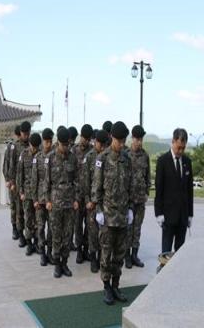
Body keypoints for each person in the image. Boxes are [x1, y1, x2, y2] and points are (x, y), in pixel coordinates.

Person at [91, 121, 134, 305]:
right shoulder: (102, 158)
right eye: (119, 140)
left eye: (124, 141)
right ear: (112, 139)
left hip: (123, 217)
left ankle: (116, 285)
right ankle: (106, 287)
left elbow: (130, 187)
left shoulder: (127, 159)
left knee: (119, 255)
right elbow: (96, 188)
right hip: (107, 217)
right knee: (106, 255)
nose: (122, 144)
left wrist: (131, 208)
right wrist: (99, 210)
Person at [43, 127, 80, 278]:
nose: (66, 147)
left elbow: (77, 180)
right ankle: (57, 264)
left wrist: (77, 199)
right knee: (56, 235)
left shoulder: (73, 157)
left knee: (67, 234)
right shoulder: (50, 158)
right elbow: (46, 181)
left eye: (68, 145)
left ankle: (65, 263)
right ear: (58, 142)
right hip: (56, 203)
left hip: (69, 203)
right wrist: (47, 200)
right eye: (63, 145)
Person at [154, 128, 193, 257]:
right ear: (173, 142)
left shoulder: (187, 162)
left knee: (180, 252)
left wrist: (190, 214)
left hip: (183, 215)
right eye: (178, 148)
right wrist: (158, 213)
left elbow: (189, 190)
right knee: (166, 252)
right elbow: (159, 189)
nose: (180, 151)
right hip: (168, 216)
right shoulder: (163, 161)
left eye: (183, 148)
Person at [125, 125, 151, 269]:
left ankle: (135, 255)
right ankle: (127, 256)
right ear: (132, 139)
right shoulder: (126, 155)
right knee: (128, 228)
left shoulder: (145, 156)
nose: (139, 142)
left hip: (140, 199)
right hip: (128, 201)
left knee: (137, 228)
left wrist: (147, 191)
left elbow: (148, 176)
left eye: (141, 139)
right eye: (137, 139)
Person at [83, 129, 109, 273]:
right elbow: (85, 182)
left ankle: (101, 258)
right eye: (100, 143)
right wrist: (88, 200)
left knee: (104, 233)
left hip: (105, 203)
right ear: (95, 142)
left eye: (104, 144)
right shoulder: (89, 157)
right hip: (92, 202)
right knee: (92, 232)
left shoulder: (107, 157)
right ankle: (93, 258)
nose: (102, 147)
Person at [71, 124, 94, 264]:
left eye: (88, 138)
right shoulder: (73, 151)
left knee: (89, 224)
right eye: (84, 138)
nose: (85, 140)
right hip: (77, 195)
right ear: (80, 136)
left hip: (89, 195)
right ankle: (79, 250)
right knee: (78, 224)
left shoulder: (92, 153)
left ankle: (86, 249)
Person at [32, 128, 54, 266]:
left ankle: (50, 252)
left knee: (51, 227)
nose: (48, 144)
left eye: (50, 141)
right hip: (40, 199)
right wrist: (34, 199)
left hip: (51, 199)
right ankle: (42, 252)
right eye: (46, 141)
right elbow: (34, 180)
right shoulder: (37, 158)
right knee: (40, 227)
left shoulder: (54, 156)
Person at [18, 132, 42, 256]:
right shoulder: (24, 154)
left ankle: (37, 242)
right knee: (28, 218)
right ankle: (29, 243)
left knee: (38, 219)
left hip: (38, 194)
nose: (34, 149)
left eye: (36, 147)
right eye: (33, 146)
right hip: (27, 193)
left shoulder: (41, 155)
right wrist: (21, 191)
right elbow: (20, 174)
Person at [8, 121, 31, 248]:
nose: (26, 136)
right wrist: (12, 182)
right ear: (20, 133)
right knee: (18, 210)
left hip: (29, 184)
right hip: (17, 184)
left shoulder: (32, 145)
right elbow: (12, 166)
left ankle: (29, 236)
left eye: (28, 133)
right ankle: (19, 233)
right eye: (24, 133)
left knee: (28, 212)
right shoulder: (15, 147)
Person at [2, 125, 21, 240]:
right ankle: (15, 228)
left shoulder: (26, 146)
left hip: (22, 184)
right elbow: (6, 165)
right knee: (14, 207)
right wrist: (8, 180)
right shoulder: (11, 147)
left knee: (21, 208)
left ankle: (21, 229)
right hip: (13, 183)